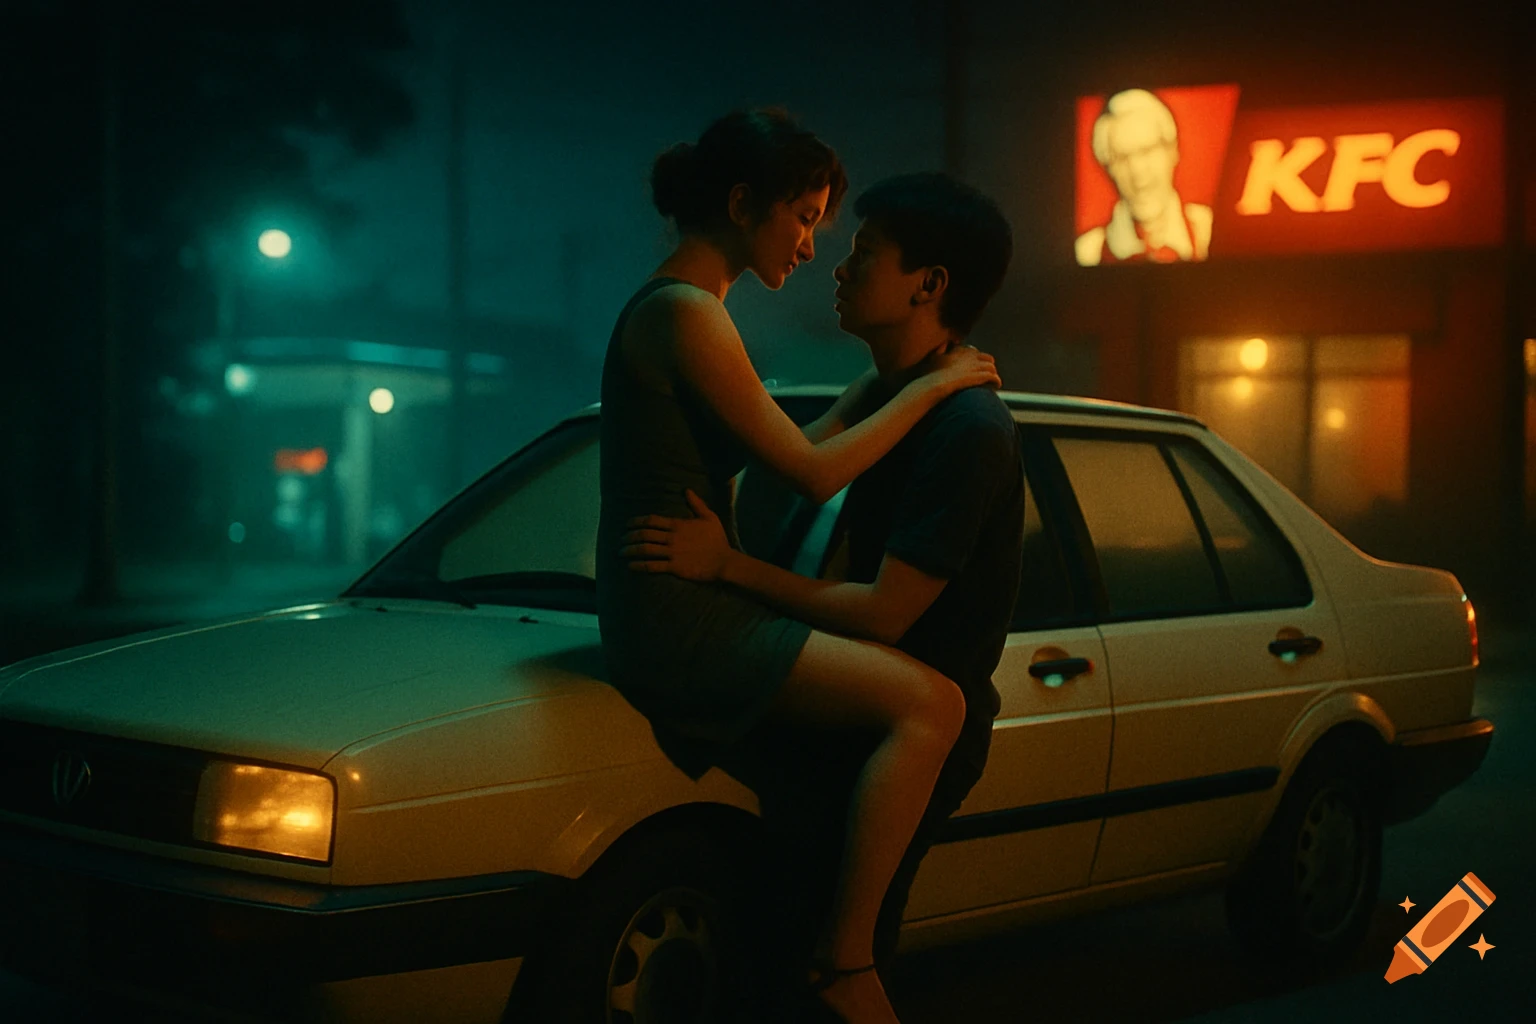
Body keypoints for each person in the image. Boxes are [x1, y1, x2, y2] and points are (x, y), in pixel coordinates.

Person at [597, 110, 1000, 1024]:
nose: (815, 247)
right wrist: (936, 386)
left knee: (916, 710)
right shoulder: (686, 315)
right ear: (744, 205)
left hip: (683, 593)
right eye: (805, 217)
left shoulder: (690, 308)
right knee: (935, 704)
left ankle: (830, 949)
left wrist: (894, 378)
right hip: (676, 612)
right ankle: (847, 957)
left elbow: (794, 447)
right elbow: (816, 474)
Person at [1075, 88, 1212, 265]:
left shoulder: (1208, 230)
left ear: (1172, 151)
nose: (1138, 173)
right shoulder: (1087, 252)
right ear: (1108, 169)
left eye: (1147, 151)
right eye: (1122, 158)